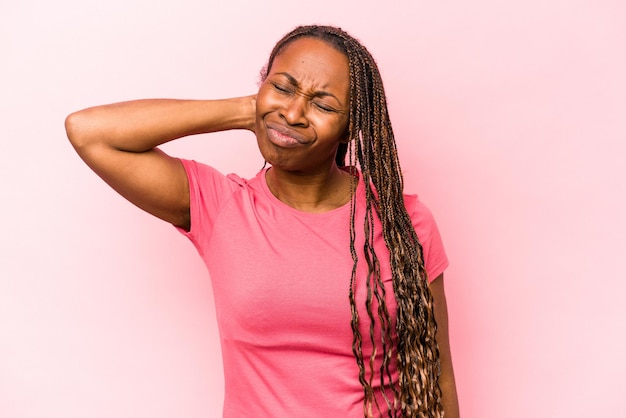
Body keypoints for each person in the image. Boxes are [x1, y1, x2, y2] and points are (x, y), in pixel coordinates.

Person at [65, 25, 459, 418]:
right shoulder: (220, 206)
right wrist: (247, 110)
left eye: (323, 105)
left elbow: (436, 376)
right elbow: (89, 131)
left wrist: (275, 102)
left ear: (352, 125)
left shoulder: (402, 222)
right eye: (283, 88)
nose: (292, 113)